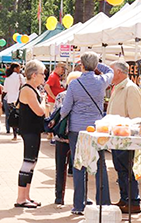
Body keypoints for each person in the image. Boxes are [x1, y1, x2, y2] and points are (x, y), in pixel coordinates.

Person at [61, 52, 114, 215]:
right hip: (96, 129)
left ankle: (79, 204)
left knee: (79, 165)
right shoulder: (101, 81)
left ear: (81, 66)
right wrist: (97, 64)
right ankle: (103, 202)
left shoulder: (75, 84)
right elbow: (110, 71)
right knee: (100, 165)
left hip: (77, 129)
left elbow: (65, 109)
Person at [108, 61, 141, 214]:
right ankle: (125, 199)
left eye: (111, 71)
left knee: (125, 169)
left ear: (119, 72)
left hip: (125, 137)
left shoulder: (130, 89)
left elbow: (137, 117)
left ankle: (133, 201)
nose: (109, 74)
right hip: (117, 137)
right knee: (121, 169)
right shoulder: (118, 88)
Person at [14, 60, 46, 209]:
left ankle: (26, 195)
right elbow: (40, 111)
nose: (44, 77)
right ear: (34, 75)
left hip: (33, 130)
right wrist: (44, 100)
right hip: (29, 130)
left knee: (32, 162)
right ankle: (21, 198)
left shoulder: (32, 89)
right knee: (27, 162)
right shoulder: (27, 89)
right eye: (42, 74)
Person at [53, 71, 82, 206]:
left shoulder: (61, 96)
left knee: (60, 168)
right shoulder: (83, 97)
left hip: (62, 137)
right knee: (80, 168)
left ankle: (59, 197)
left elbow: (56, 115)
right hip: (78, 137)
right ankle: (81, 197)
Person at [45, 63, 67, 142]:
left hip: (56, 101)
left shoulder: (57, 77)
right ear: (57, 67)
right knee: (54, 119)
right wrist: (54, 97)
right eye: (62, 68)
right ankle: (53, 138)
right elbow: (46, 86)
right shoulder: (53, 76)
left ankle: (52, 136)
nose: (63, 70)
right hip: (53, 102)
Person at [4, 62, 24, 140]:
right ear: (15, 69)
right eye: (19, 68)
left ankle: (14, 134)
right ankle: (20, 132)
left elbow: (5, 90)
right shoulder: (20, 76)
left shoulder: (7, 78)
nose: (20, 70)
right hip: (19, 99)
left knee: (13, 116)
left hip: (10, 100)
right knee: (21, 116)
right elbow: (24, 85)